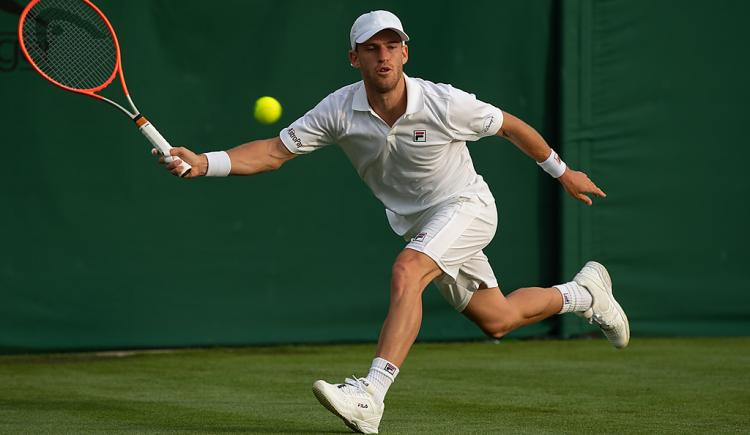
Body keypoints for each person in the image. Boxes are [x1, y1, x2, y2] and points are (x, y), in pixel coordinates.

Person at [156, 10, 629, 434]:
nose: (382, 56)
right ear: (354, 58)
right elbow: (274, 153)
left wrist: (562, 172)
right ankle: (586, 294)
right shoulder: (338, 110)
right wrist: (205, 162)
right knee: (498, 319)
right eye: (371, 48)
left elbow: (509, 125)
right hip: (420, 221)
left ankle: (371, 394)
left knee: (408, 270)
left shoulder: (444, 102)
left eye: (391, 45)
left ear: (405, 52)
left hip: (467, 206)